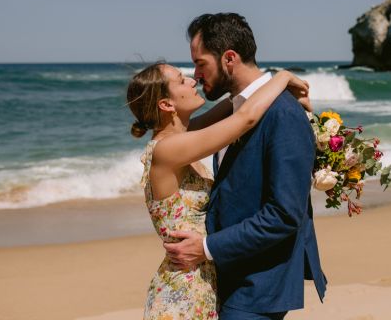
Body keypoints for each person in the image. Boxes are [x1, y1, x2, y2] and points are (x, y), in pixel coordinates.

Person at [164, 13, 327, 319]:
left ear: (229, 58)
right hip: (229, 278)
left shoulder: (282, 113)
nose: (196, 75)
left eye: (200, 63)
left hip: (258, 286)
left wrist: (207, 248)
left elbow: (284, 214)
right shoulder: (237, 109)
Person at [127, 61, 312, 319]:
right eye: (182, 80)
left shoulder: (185, 134)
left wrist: (272, 92)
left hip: (199, 277)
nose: (193, 81)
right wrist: (281, 77)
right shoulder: (167, 150)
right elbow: (245, 118)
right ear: (166, 105)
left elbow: (238, 102)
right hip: (183, 289)